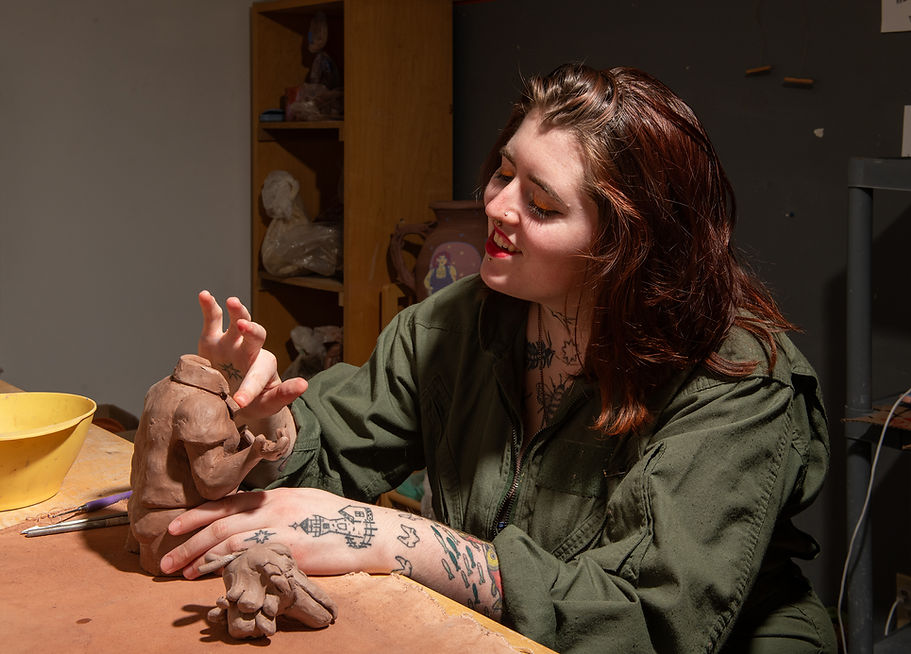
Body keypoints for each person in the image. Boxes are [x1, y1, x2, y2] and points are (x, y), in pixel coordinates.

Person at [161, 63, 836, 653]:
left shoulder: (737, 379)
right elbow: (333, 452)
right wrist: (266, 426)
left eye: (540, 203)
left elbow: (651, 621)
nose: (496, 206)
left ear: (626, 245)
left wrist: (400, 540)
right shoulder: (459, 322)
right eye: (504, 173)